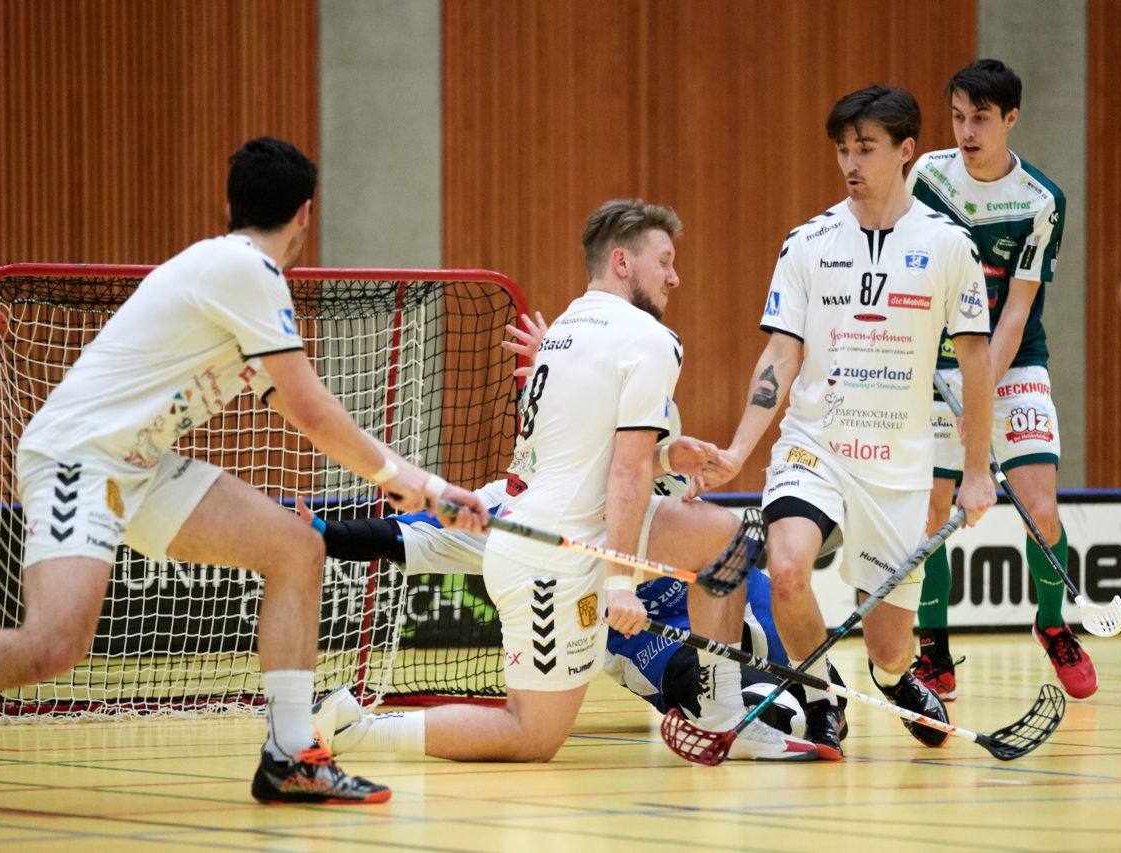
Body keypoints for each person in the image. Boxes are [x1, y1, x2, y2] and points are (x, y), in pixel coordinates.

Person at [0, 137, 487, 805]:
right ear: (305, 214)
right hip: (79, 458)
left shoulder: (241, 283)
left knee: (297, 547)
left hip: (140, 466)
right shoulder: (242, 270)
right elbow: (314, 412)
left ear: (230, 205)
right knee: (52, 644)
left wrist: (429, 490)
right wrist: (414, 485)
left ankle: (291, 756)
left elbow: (300, 406)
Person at [311, 199, 818, 764]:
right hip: (551, 557)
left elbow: (590, 457)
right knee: (530, 736)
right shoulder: (648, 337)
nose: (674, 277)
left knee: (722, 537)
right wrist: (621, 583)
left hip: (570, 529)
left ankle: (724, 721)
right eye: (664, 261)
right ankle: (354, 729)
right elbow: (623, 472)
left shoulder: (566, 330)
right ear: (622, 262)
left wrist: (669, 457)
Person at [707, 84, 996, 760]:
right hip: (815, 446)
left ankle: (894, 681)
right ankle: (821, 697)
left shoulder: (950, 245)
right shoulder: (807, 242)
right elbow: (780, 354)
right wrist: (739, 449)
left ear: (906, 150)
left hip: (897, 467)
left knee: (890, 647)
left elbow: (976, 362)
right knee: (787, 569)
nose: (850, 163)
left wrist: (977, 469)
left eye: (865, 148)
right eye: (843, 150)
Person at [302, 481, 833, 758]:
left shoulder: (632, 450)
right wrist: (323, 532)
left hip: (723, 600)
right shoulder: (506, 506)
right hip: (637, 635)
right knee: (752, 702)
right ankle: (738, 715)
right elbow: (400, 534)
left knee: (804, 692)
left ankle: (804, 706)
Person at [906, 59, 1098, 701]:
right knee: (934, 510)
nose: (966, 131)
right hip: (935, 360)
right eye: (958, 116)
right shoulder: (927, 176)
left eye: (981, 118)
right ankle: (934, 649)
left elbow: (1016, 312)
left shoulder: (1042, 201)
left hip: (1012, 360)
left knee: (1040, 509)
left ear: (1010, 118)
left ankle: (1053, 623)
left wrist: (980, 392)